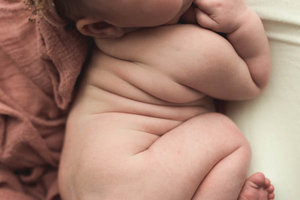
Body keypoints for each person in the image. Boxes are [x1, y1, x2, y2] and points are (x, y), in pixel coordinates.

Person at [56, 0, 275, 199]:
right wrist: (241, 21)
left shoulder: (106, 41)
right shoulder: (191, 49)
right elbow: (254, 80)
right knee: (225, 134)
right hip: (128, 178)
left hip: (77, 183)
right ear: (101, 27)